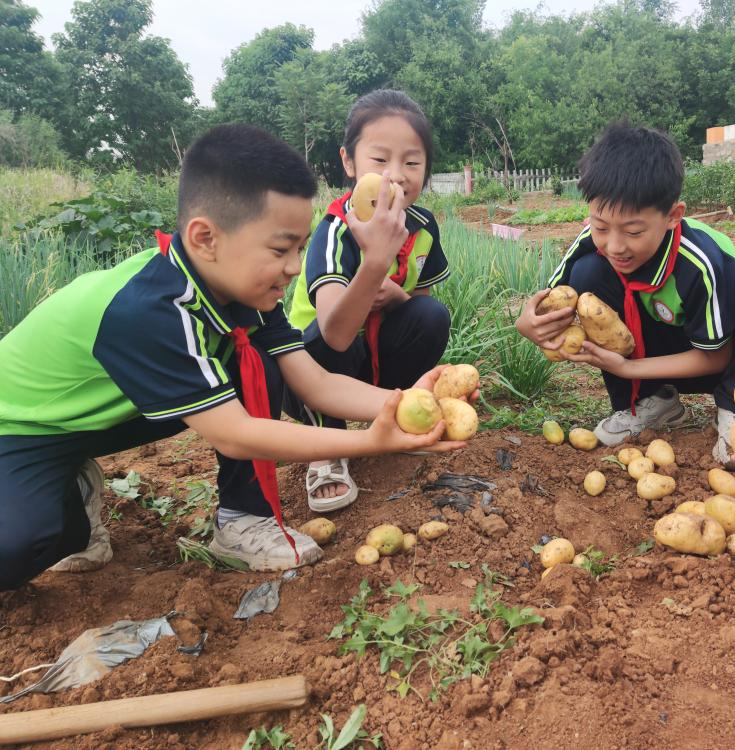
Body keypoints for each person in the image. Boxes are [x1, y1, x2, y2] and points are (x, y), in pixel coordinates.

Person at [0, 123, 467, 586]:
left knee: (254, 358)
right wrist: (372, 442)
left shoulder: (243, 292)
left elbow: (317, 383)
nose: (292, 268)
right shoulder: (149, 311)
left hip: (97, 420)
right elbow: (237, 435)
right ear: (206, 237)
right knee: (20, 547)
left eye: (300, 249)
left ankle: (242, 517)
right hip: (20, 429)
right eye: (281, 249)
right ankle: (69, 496)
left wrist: (400, 402)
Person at [516, 122, 735, 457]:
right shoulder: (595, 243)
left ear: (674, 216)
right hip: (663, 358)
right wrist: (528, 325)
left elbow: (717, 355)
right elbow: (554, 305)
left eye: (633, 231)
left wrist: (627, 367)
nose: (614, 245)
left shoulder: (701, 261)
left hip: (728, 353)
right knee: (587, 273)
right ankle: (651, 401)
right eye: (601, 226)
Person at [286, 90, 451, 513]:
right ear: (348, 162)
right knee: (319, 339)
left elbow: (419, 304)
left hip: (374, 359)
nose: (396, 176)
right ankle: (326, 447)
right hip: (312, 371)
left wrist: (398, 297)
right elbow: (335, 335)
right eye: (380, 160)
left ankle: (398, 415)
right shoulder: (334, 229)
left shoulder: (423, 225)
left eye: (412, 162)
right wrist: (374, 264)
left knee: (431, 316)